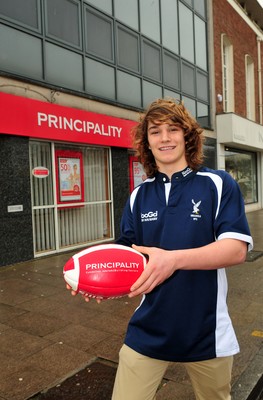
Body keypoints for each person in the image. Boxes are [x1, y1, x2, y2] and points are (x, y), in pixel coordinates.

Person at [68, 98, 253, 400]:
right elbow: (126, 257)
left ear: (187, 135)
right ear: (147, 142)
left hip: (206, 331)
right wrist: (98, 278)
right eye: (155, 131)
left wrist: (173, 260)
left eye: (172, 129)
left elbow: (235, 250)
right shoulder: (138, 196)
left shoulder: (217, 183)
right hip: (149, 327)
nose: (165, 138)